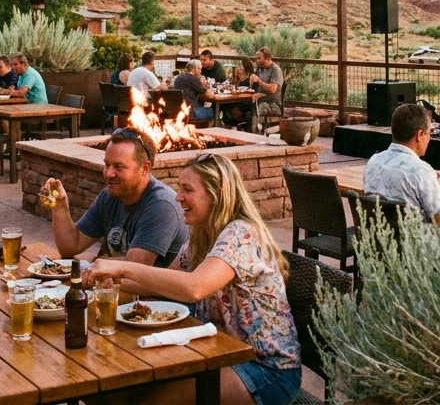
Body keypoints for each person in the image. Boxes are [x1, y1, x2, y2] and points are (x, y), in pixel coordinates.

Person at [84, 153, 301, 405]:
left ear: (217, 194)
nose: (178, 197)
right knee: (110, 391)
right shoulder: (202, 233)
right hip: (216, 351)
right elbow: (169, 281)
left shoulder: (242, 234)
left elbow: (194, 288)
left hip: (266, 368)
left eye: (188, 190)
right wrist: (105, 278)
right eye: (179, 188)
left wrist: (124, 269)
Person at [39, 128, 189, 268]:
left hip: (153, 295)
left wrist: (97, 260)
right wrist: (60, 207)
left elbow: (134, 267)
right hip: (120, 288)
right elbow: (71, 246)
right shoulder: (110, 196)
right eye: (107, 164)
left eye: (119, 167)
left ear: (145, 168)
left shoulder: (161, 205)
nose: (109, 173)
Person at [362, 102, 440, 229]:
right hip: (416, 247)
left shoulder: (373, 161)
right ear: (419, 135)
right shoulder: (421, 171)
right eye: (429, 133)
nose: (429, 138)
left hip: (380, 244)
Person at [249, 48, 284, 134]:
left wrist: (259, 81)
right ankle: (247, 132)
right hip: (261, 99)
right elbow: (255, 86)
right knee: (246, 106)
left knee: (259, 107)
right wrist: (251, 81)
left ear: (268, 59)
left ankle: (257, 134)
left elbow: (272, 89)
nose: (257, 61)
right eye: (256, 58)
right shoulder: (260, 69)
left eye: (259, 58)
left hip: (273, 103)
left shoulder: (275, 70)